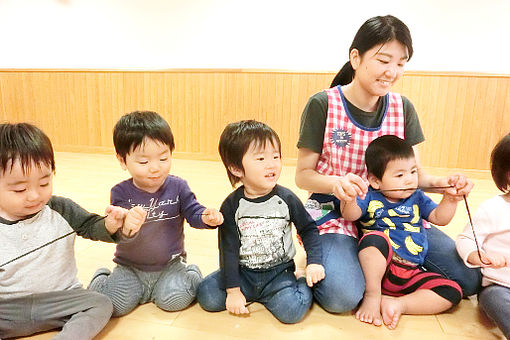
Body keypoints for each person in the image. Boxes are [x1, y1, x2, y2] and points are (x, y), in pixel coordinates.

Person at [295, 14, 481, 314]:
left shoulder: (402, 107)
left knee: (469, 279)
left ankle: (374, 270)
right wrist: (337, 183)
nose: (392, 71)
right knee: (341, 298)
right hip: (337, 213)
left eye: (401, 62)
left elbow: (414, 177)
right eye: (384, 60)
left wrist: (447, 184)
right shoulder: (323, 104)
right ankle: (337, 258)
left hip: (395, 213)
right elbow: (303, 176)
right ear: (355, 58)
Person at [0, 122, 146, 340]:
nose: (34, 196)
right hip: (9, 307)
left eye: (44, 183)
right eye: (20, 189)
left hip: (62, 300)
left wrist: (111, 225)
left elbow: (90, 226)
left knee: (101, 304)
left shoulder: (60, 209)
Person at [88, 111, 223, 316]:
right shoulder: (120, 192)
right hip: (130, 267)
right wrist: (124, 224)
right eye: (143, 162)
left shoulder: (177, 186)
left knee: (174, 301)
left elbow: (193, 211)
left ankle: (191, 272)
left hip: (170, 265)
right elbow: (120, 233)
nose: (155, 168)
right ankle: (102, 277)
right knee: (114, 306)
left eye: (163, 158)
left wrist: (206, 217)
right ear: (122, 160)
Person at [196, 120, 325, 324]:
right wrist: (233, 291)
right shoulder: (231, 206)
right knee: (207, 295)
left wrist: (314, 261)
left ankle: (298, 280)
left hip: (279, 273)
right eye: (261, 158)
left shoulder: (287, 199)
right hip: (244, 273)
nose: (272, 164)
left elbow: (309, 229)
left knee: (292, 312)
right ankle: (250, 294)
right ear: (236, 168)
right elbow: (228, 250)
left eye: (276, 156)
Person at [341, 135, 462, 329]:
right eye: (399, 175)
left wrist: (450, 199)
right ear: (375, 180)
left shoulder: (417, 197)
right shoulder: (370, 196)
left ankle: (398, 304)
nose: (409, 180)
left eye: (413, 172)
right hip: (380, 269)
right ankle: (373, 295)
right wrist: (348, 199)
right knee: (374, 240)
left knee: (452, 291)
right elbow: (351, 214)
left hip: (411, 272)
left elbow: (440, 218)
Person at [456, 132, 510, 339]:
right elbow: (465, 239)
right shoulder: (493, 208)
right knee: (494, 299)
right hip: (500, 287)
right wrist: (479, 256)